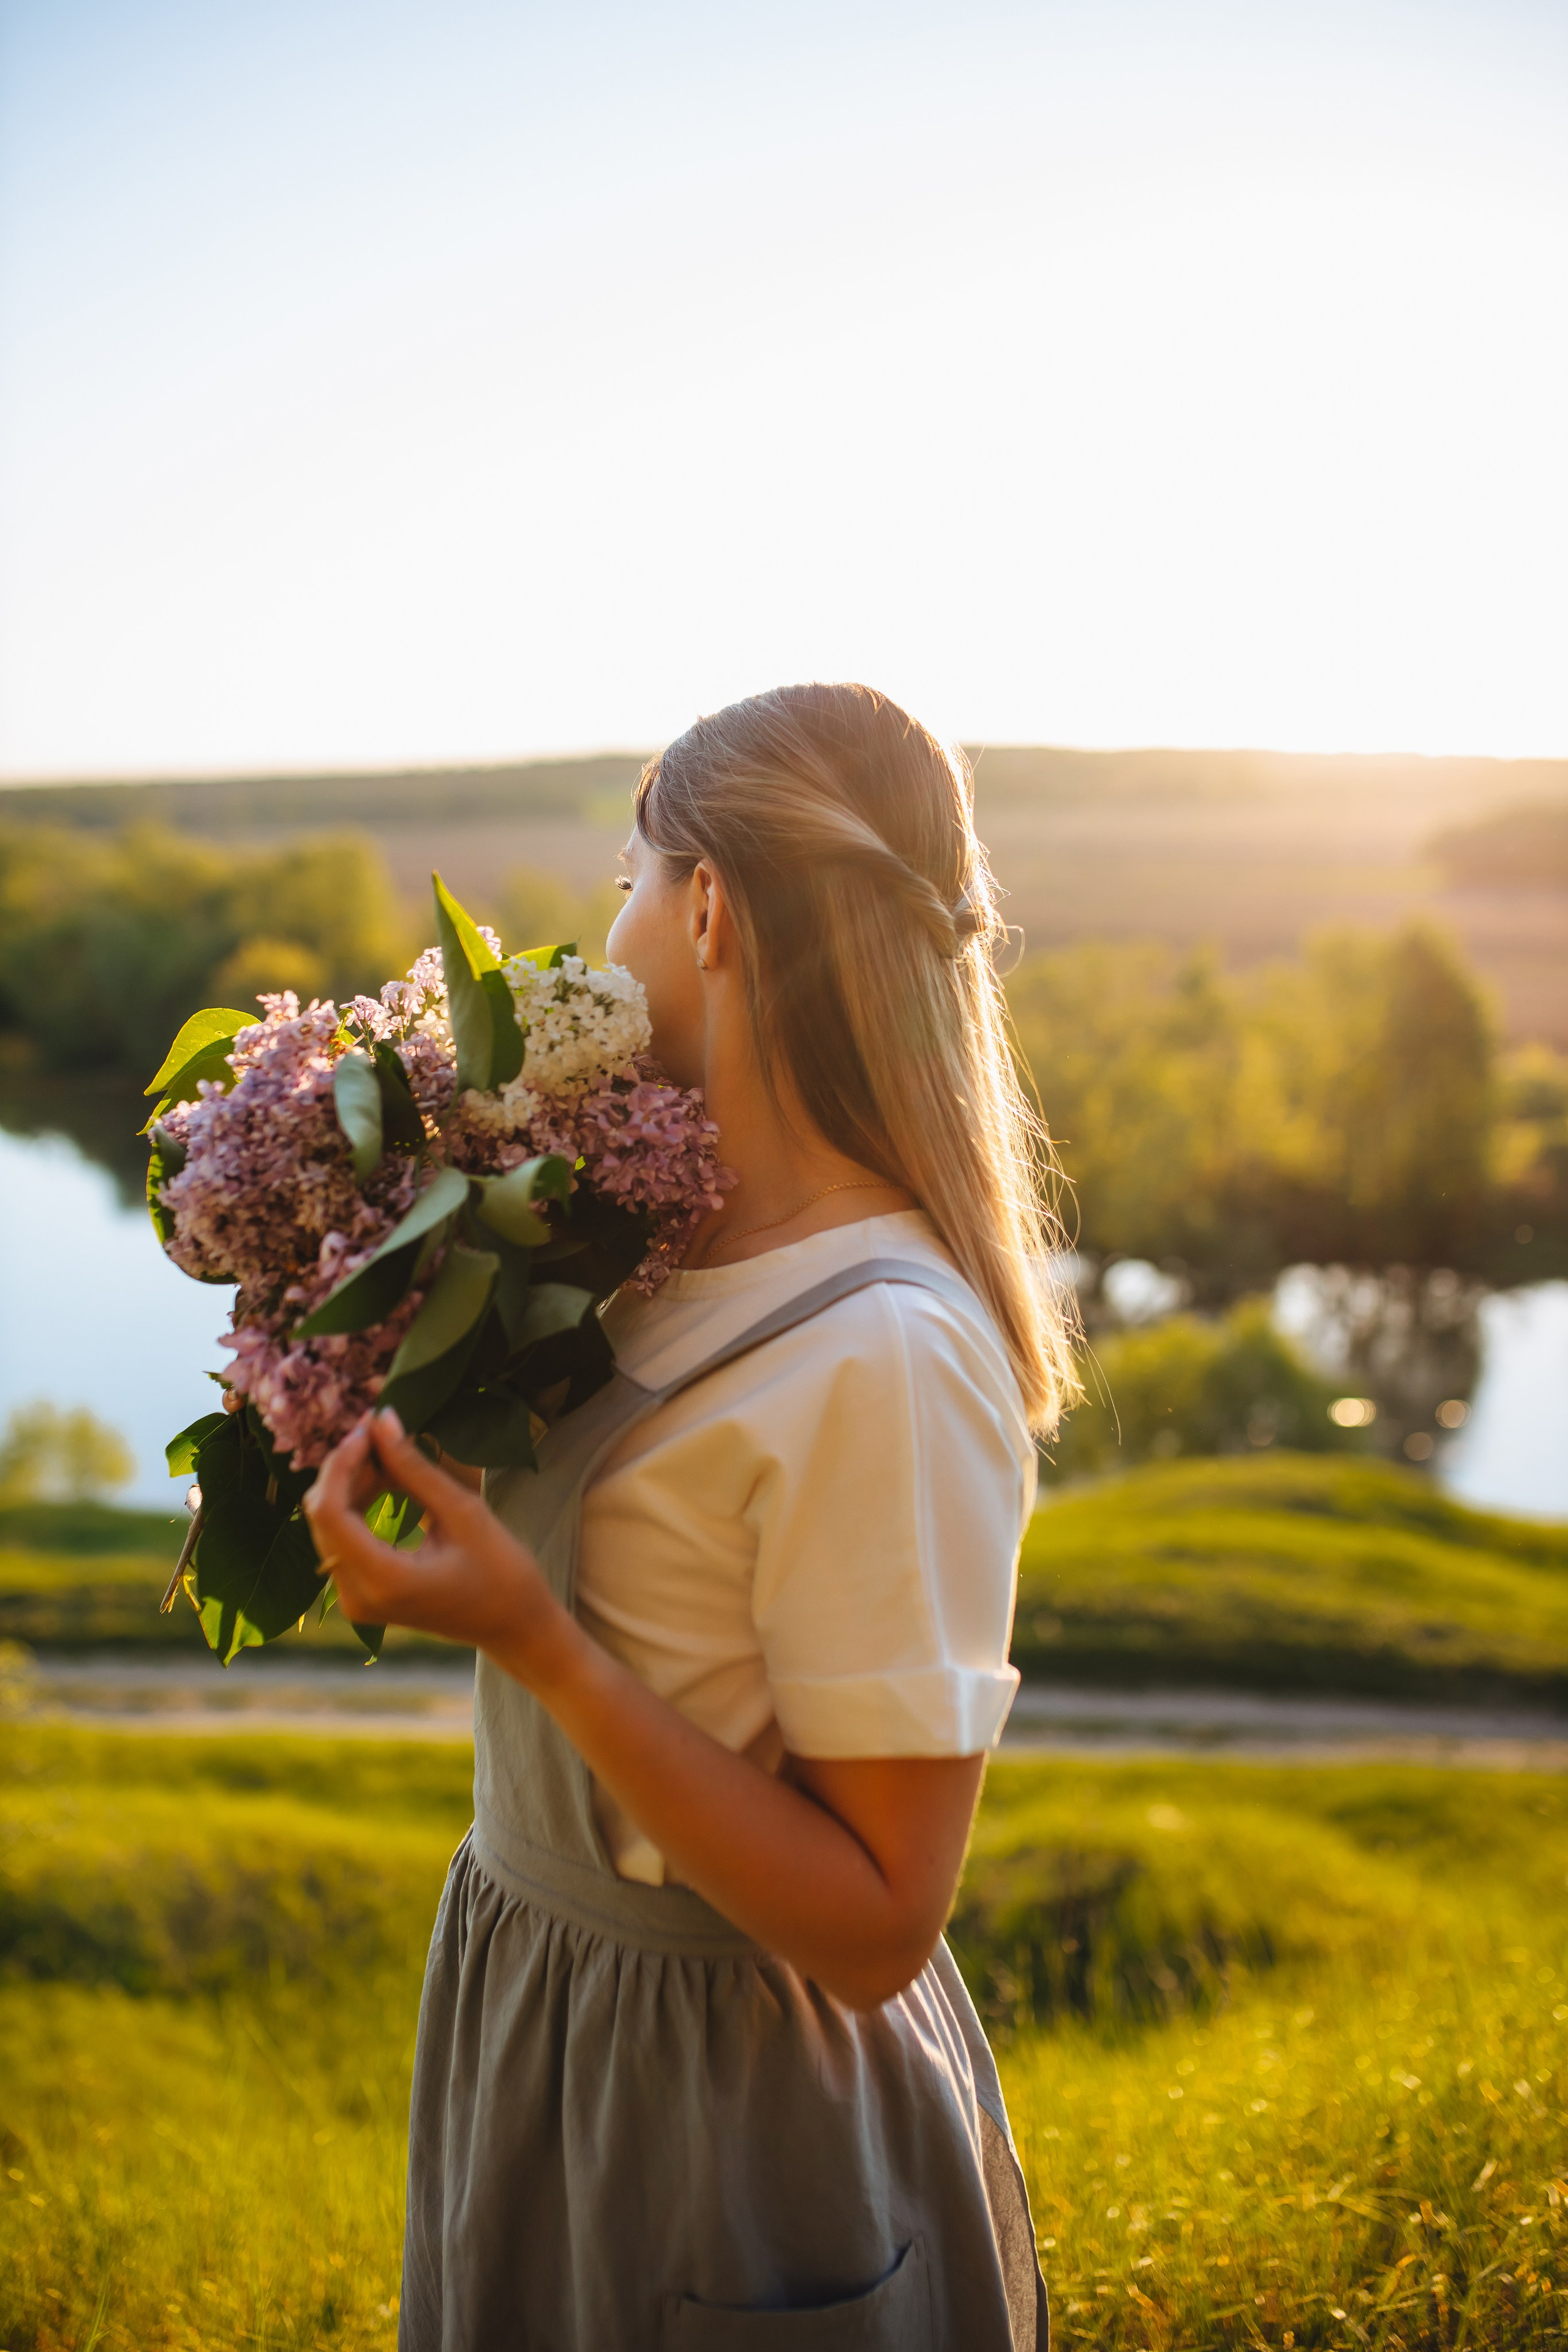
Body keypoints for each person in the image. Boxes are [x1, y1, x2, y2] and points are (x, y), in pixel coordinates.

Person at [305, 682, 1077, 2350]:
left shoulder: (888, 1350)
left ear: (711, 905)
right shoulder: (655, 1232)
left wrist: (534, 1639)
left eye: (628, 880)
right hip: (544, 2016)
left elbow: (879, 1926)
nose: (608, 926)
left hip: (728, 2109)